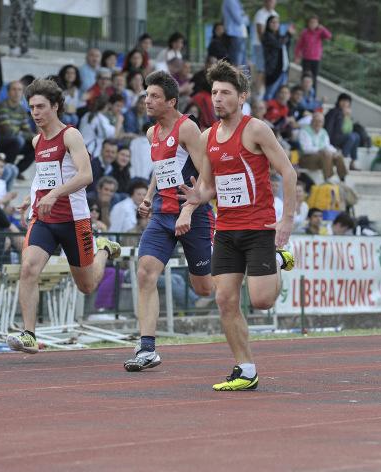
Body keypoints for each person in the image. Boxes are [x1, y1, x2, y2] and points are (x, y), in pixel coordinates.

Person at [179, 60, 296, 390]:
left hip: (259, 226)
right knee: (224, 300)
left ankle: (275, 260)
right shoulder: (206, 136)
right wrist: (195, 198)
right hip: (226, 229)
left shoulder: (255, 129)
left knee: (261, 301)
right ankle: (245, 369)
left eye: (225, 93)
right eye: (214, 92)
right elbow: (208, 185)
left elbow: (288, 172)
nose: (217, 99)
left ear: (242, 96)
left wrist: (286, 220)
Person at [6, 79, 121, 354]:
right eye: (32, 107)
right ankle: (29, 334)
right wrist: (30, 198)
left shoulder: (71, 135)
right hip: (44, 219)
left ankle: (103, 248)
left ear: (55, 106)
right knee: (28, 268)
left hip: (74, 220)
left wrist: (55, 194)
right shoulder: (37, 140)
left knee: (87, 285)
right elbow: (43, 178)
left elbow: (86, 175)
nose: (35, 112)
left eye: (41, 107)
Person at [122, 70, 216, 372]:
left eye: (154, 96)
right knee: (145, 274)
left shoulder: (187, 128)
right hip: (163, 214)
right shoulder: (152, 133)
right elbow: (161, 168)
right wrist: (149, 196)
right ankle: (147, 348)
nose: (147, 100)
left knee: (204, 288)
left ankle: (257, 260)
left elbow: (206, 172)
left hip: (194, 214)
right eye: (146, 95)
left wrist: (189, 210)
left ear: (171, 101)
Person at [0, 80, 35, 177]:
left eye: (19, 90)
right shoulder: (2, 106)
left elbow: (28, 131)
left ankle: (16, 171)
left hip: (16, 141)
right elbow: (8, 131)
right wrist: (23, 134)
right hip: (0, 141)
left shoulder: (21, 110)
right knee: (18, 140)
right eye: (14, 89)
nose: (17, 92)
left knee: (37, 143)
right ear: (8, 92)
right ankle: (7, 169)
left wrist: (34, 137)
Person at [299, 111, 347, 181]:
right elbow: (306, 149)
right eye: (316, 121)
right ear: (312, 121)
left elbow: (327, 145)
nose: (318, 124)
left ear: (323, 123)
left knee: (338, 155)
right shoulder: (304, 131)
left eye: (320, 122)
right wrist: (321, 150)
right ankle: (328, 179)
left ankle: (342, 179)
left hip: (321, 159)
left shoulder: (323, 132)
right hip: (306, 159)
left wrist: (335, 152)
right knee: (326, 154)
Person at [294, 15, 331, 91]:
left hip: (316, 59)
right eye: (311, 22)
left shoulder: (320, 32)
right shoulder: (305, 32)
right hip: (306, 58)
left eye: (314, 22)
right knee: (305, 76)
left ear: (317, 23)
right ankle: (302, 93)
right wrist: (297, 56)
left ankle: (312, 94)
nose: (312, 24)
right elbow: (299, 45)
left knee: (314, 78)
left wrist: (323, 28)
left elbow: (329, 36)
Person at [324, 93, 361, 170]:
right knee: (352, 137)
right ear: (339, 101)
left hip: (342, 137)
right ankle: (342, 159)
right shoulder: (333, 112)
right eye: (343, 101)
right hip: (333, 138)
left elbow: (348, 130)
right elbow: (328, 127)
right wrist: (327, 141)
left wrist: (347, 117)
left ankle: (352, 162)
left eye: (347, 102)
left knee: (356, 136)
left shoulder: (346, 114)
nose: (344, 103)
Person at [262, 15, 294, 100]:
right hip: (273, 71)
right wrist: (288, 34)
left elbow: (286, 45)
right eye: (272, 22)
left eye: (277, 22)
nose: (275, 24)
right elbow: (278, 44)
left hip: (283, 70)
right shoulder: (267, 35)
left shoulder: (280, 36)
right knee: (269, 95)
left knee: (280, 97)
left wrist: (289, 36)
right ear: (268, 24)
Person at [221, 0, 249, 66]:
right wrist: (246, 18)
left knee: (242, 64)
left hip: (239, 35)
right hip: (235, 34)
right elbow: (239, 20)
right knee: (237, 64)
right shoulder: (231, 1)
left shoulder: (236, 1)